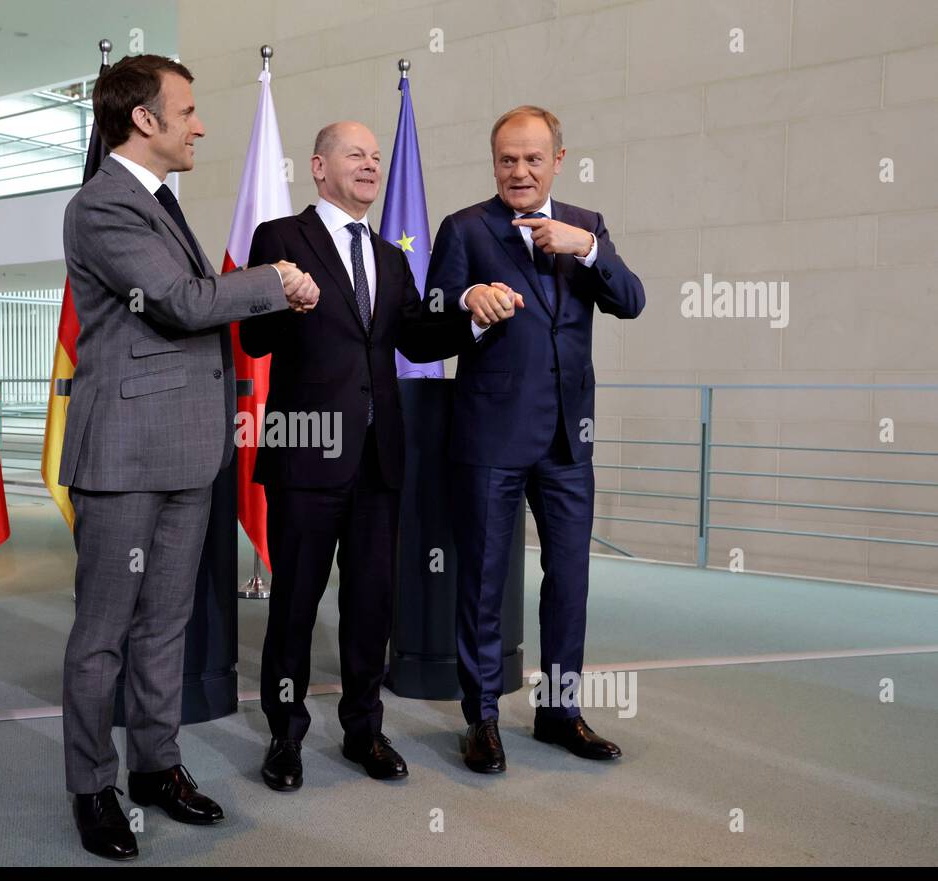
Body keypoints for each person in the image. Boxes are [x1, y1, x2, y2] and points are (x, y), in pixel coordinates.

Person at [58, 54, 319, 860]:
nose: (201, 124)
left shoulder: (160, 203)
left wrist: (269, 290)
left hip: (184, 451)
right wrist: (275, 278)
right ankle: (91, 786)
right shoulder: (104, 204)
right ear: (144, 118)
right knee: (103, 633)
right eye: (190, 110)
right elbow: (178, 304)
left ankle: (155, 767)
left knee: (167, 625)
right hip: (123, 455)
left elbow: (188, 307)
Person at [418, 105, 646, 774]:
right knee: (485, 581)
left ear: (558, 160)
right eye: (507, 159)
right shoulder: (464, 228)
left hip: (569, 442)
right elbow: (429, 325)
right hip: (490, 435)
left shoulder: (589, 226)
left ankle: (560, 713)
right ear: (494, 163)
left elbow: (630, 300)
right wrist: (466, 304)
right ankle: (482, 719)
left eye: (532, 158)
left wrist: (590, 251)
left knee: (569, 580)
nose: (519, 170)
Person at [242, 121, 451, 791]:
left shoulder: (392, 256)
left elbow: (415, 341)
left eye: (376, 156)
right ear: (319, 167)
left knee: (370, 603)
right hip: (305, 454)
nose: (370, 164)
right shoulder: (280, 238)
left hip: (379, 458)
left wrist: (470, 315)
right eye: (355, 154)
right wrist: (282, 293)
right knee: (295, 606)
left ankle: (365, 730)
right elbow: (253, 339)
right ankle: (284, 733)